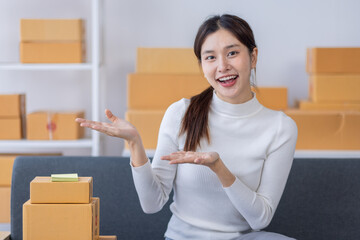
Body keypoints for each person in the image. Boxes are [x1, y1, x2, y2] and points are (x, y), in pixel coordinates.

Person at [76, 14, 298, 240]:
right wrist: (135, 144)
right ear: (202, 66)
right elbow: (152, 203)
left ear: (253, 57)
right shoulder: (181, 114)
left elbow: (260, 219)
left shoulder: (280, 128)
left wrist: (219, 167)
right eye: (210, 57)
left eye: (232, 53)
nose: (223, 66)